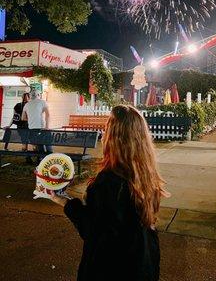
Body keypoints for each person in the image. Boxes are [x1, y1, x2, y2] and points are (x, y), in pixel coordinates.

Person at [50, 105, 168, 281]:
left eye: (107, 128)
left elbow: (94, 230)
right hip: (143, 262)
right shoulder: (144, 173)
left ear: (114, 137)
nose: (104, 132)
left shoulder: (109, 181)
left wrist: (64, 201)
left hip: (113, 269)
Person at [22, 89, 53, 155]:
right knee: (48, 146)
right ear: (38, 95)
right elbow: (48, 115)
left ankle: (41, 159)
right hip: (42, 127)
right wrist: (47, 127)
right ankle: (49, 159)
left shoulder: (27, 104)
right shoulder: (42, 102)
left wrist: (31, 118)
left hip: (32, 129)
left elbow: (23, 118)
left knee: (39, 145)